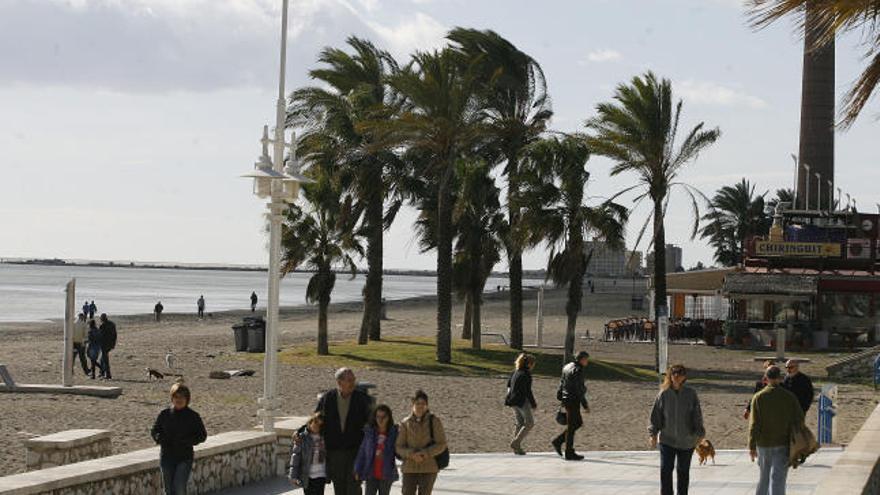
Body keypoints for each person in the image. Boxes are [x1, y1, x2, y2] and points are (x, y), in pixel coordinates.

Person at [648, 364, 705, 495]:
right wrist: (653, 434)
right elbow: (655, 415)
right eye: (674, 373)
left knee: (683, 472)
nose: (677, 376)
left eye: (680, 373)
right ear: (670, 375)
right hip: (667, 440)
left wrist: (700, 433)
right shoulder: (663, 394)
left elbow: (697, 415)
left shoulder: (691, 394)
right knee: (666, 471)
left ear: (684, 376)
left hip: (687, 441)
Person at [749, 365, 805, 495]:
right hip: (783, 442)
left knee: (764, 478)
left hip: (763, 443)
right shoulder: (789, 397)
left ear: (766, 378)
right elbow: (800, 419)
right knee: (778, 479)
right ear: (780, 378)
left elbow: (754, 424)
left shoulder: (758, 397)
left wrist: (751, 445)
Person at [314, 368, 371, 495]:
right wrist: (301, 432)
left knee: (354, 486)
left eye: (354, 380)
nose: (353, 383)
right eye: (349, 380)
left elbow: (372, 422)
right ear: (339, 382)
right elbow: (316, 420)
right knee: (339, 487)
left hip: (355, 451)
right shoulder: (328, 398)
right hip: (335, 453)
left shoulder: (362, 399)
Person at [151, 381, 208, 495]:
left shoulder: (193, 416)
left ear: (187, 399)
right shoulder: (164, 414)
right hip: (167, 457)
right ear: (172, 398)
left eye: (182, 397)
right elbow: (154, 431)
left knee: (179, 488)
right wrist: (160, 438)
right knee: (168, 490)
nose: (179, 400)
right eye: (176, 397)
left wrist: (188, 441)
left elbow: (202, 435)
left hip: (184, 457)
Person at [396, 390, 447, 495]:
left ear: (427, 405)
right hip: (409, 468)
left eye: (423, 404)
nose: (420, 406)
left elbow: (441, 444)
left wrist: (425, 453)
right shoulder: (405, 423)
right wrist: (411, 454)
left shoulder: (434, 421)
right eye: (417, 403)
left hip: (429, 467)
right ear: (413, 404)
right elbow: (398, 447)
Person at [552, 351, 590, 461]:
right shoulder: (578, 370)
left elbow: (562, 382)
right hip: (573, 400)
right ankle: (567, 450)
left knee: (575, 424)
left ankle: (560, 443)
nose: (587, 362)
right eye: (586, 359)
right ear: (582, 359)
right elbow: (579, 390)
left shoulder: (567, 366)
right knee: (574, 425)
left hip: (566, 399)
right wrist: (585, 404)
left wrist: (560, 395)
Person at [354, 404, 399, 495]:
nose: (380, 420)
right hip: (371, 473)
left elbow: (399, 451)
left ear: (389, 418)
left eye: (383, 417)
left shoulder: (394, 433)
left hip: (386, 473)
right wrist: (357, 469)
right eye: (378, 416)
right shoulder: (370, 432)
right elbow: (362, 452)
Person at [289, 412, 330, 495]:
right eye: (315, 422)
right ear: (310, 422)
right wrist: (293, 476)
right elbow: (296, 457)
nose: (316, 426)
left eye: (319, 424)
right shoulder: (302, 437)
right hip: (307, 476)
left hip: (321, 475)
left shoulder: (325, 437)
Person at [505, 353, 537, 455]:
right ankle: (516, 442)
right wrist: (533, 403)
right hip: (522, 401)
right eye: (533, 364)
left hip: (512, 400)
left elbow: (509, 386)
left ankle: (517, 449)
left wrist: (509, 398)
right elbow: (528, 391)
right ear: (529, 364)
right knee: (530, 423)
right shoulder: (526, 374)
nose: (533, 366)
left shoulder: (515, 372)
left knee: (520, 423)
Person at [98, 313, 117, 379]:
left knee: (105, 359)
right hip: (110, 344)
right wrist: (113, 344)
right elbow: (115, 335)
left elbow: (100, 336)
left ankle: (108, 374)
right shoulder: (112, 324)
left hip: (104, 344)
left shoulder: (102, 325)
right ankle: (101, 372)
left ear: (102, 319)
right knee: (103, 358)